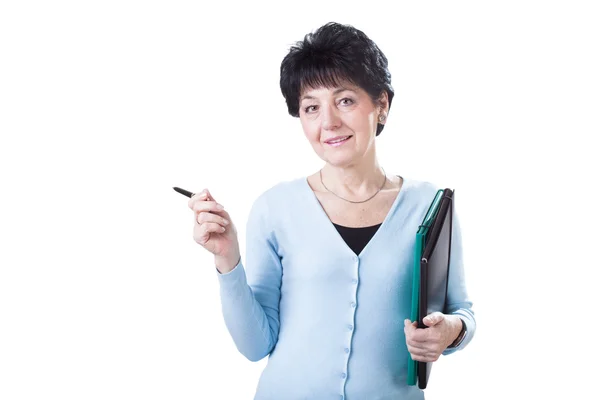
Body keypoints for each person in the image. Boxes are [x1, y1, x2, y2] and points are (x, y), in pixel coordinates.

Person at [188, 22, 475, 400]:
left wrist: (449, 330)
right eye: (311, 107)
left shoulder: (429, 205)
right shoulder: (275, 208)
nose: (329, 123)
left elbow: (462, 312)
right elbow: (256, 345)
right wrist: (227, 259)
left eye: (345, 100)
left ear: (382, 105)